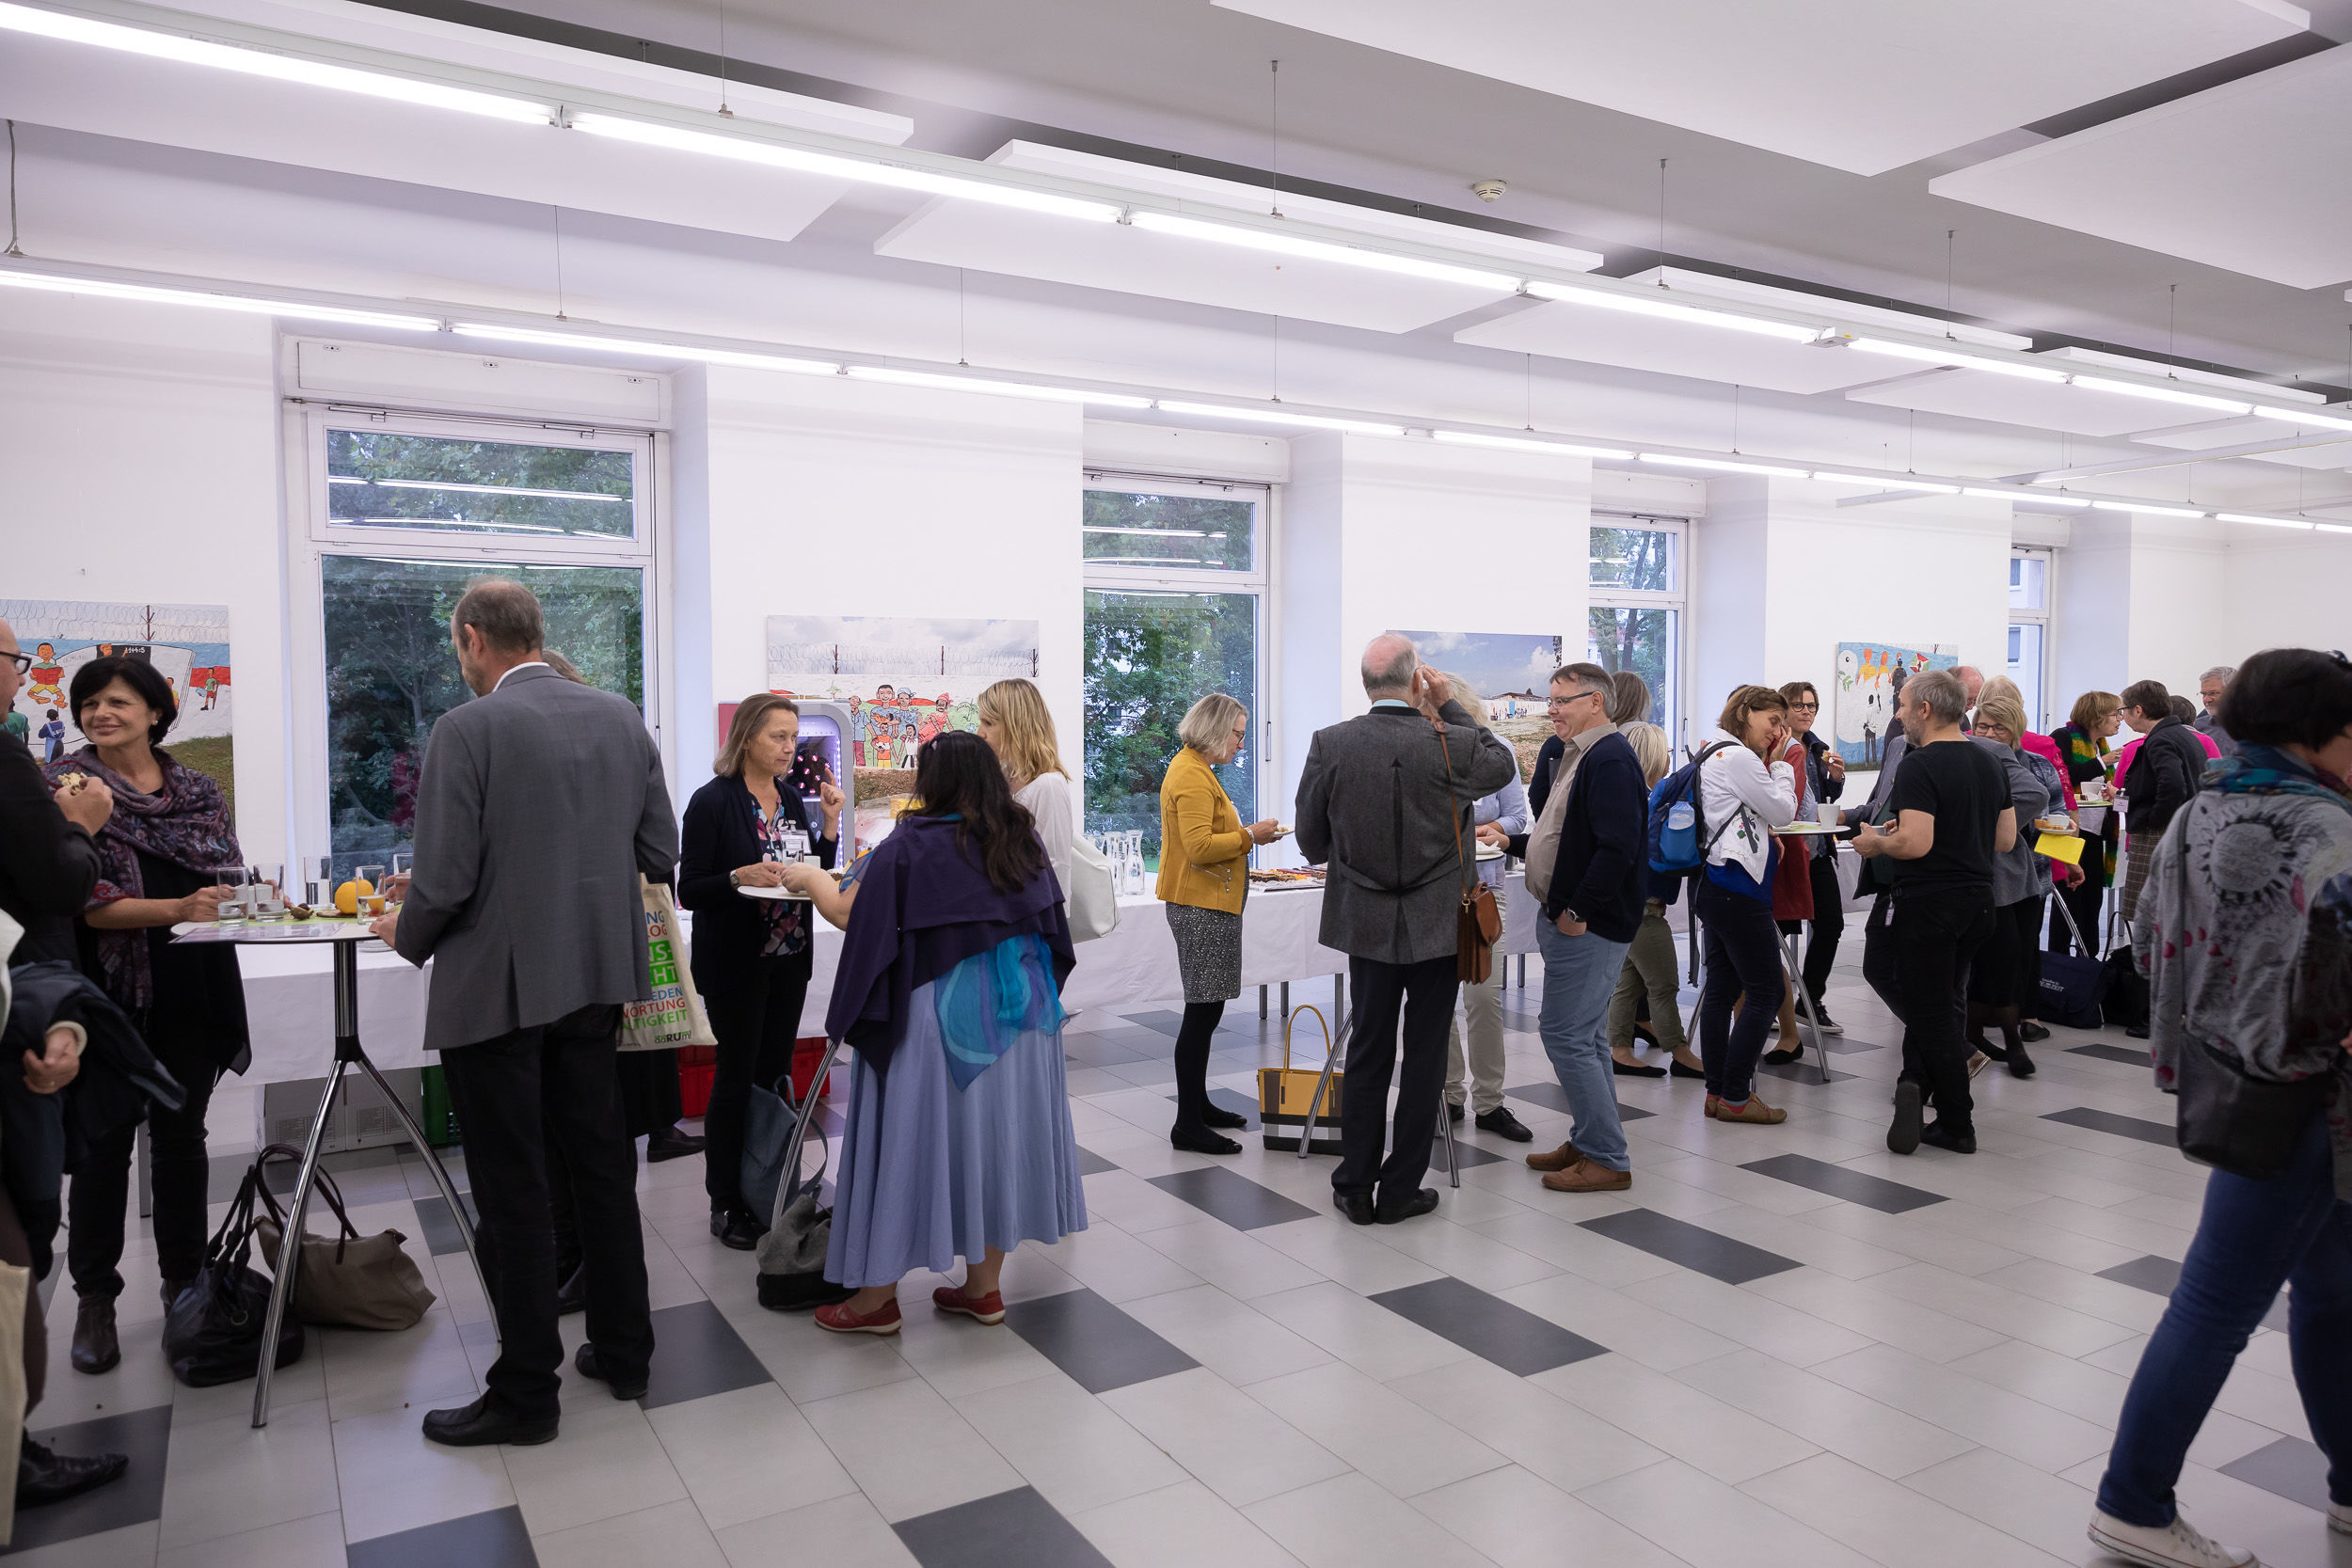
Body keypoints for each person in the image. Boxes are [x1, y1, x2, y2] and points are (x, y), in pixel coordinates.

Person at [372, 578, 676, 1446]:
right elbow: (657, 849)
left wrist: (403, 929)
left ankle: (527, 1393)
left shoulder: (467, 728)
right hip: (596, 976)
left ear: (473, 637)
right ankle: (626, 1352)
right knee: (601, 1170)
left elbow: (446, 882)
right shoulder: (621, 717)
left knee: (515, 1188)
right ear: (535, 632)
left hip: (498, 988)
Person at [2087, 647, 2352, 1568]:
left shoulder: (2203, 807)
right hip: (2310, 1098)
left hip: (2229, 1075)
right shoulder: (2330, 827)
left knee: (2333, 1289)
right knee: (2213, 1303)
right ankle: (2132, 1501)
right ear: (2315, 734)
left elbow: (2148, 941)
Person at [781, 731, 1082, 1336]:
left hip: (936, 1020)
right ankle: (983, 1289)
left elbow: (848, 912)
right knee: (996, 1145)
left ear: (932, 782)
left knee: (907, 1140)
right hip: (1023, 1017)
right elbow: (1052, 924)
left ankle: (875, 1301)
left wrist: (808, 878)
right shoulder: (1018, 836)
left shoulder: (910, 844)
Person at [47, 656, 249, 1380]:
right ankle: (95, 1300)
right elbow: (81, 901)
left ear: (157, 711)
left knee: (181, 1138)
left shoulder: (197, 790)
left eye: (118, 701)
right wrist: (180, 907)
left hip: (191, 983)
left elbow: (227, 870)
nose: (100, 713)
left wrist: (229, 899)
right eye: (89, 703)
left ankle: (185, 1284)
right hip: (105, 990)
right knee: (102, 1146)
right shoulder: (68, 789)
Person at [1295, 636, 1514, 1225]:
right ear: (1418, 680)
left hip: (1365, 919)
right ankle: (1400, 1190)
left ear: (1366, 684)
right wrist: (1449, 706)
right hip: (1439, 920)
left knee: (1368, 1049)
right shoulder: (1452, 741)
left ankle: (1353, 1185)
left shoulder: (1331, 742)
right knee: (1424, 1055)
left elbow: (1310, 840)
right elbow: (1502, 763)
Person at [0, 619, 128, 1510]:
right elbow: (61, 886)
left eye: (119, 700)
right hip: (29, 1019)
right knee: (31, 1215)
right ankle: (14, 1445)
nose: (19, 675)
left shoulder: (192, 786)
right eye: (16, 661)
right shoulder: (33, 772)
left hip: (49, 1009)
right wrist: (82, 827)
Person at [678, 694, 845, 1250]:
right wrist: (736, 877)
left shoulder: (792, 798)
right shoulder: (712, 801)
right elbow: (689, 888)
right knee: (736, 1076)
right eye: (778, 736)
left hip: (789, 959)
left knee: (773, 1079)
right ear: (747, 737)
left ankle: (769, 1189)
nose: (789, 747)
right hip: (736, 963)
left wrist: (829, 824)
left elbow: (813, 873)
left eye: (793, 737)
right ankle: (725, 1201)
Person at [1853, 670, 2013, 1156]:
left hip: (1930, 905)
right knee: (1941, 1002)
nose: (1898, 713)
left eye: (1902, 705)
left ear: (1924, 710)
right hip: (1978, 902)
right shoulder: (1990, 761)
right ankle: (1913, 1080)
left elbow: (1915, 844)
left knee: (1932, 1014)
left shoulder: (1919, 765)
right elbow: (2005, 839)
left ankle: (1956, 1122)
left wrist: (1876, 843)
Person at [1505, 663, 1647, 1193]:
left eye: (1562, 700)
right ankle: (1590, 1140)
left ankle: (1607, 1156)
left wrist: (1577, 911)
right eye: (1551, 700)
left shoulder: (1608, 758)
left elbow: (1617, 849)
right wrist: (1512, 842)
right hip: (1574, 919)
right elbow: (1567, 838)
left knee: (1564, 1035)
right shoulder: (1580, 753)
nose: (1552, 710)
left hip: (1589, 926)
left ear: (1596, 702)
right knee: (1585, 1037)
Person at [1153, 693, 1282, 1155]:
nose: (1241, 744)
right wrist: (1251, 836)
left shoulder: (1197, 768)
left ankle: (1198, 1106)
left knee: (1207, 1012)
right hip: (1201, 908)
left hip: (1210, 905)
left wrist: (1248, 837)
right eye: (1238, 735)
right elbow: (1199, 848)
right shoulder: (1190, 773)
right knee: (1202, 1013)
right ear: (1215, 728)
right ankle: (1187, 1123)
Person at [1692, 686, 1799, 1125]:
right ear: (1745, 713)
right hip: (1739, 888)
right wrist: (1783, 766)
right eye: (1773, 721)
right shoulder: (1739, 758)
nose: (1777, 731)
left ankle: (1717, 1092)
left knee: (1721, 990)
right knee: (1767, 990)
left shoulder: (1711, 752)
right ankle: (1736, 1095)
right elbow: (1784, 811)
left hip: (1714, 883)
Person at [1445, 674, 1534, 1143]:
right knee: (1438, 1002)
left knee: (1484, 998)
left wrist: (1492, 829)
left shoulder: (1498, 751)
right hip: (1434, 895)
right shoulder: (1425, 752)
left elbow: (1518, 817)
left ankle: (1491, 1103)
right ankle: (1449, 1095)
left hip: (1485, 891)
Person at [1599, 722, 1705, 1081]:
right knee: (1663, 984)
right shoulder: (1652, 802)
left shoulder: (1631, 799)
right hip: (1643, 911)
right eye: (1667, 752)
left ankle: (1620, 1051)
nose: (1670, 758)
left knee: (1628, 984)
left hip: (1626, 909)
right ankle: (1680, 1052)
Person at [1964, 696, 2051, 1080]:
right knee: (1982, 966)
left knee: (2008, 964)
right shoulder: (1968, 755)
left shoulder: (2017, 761)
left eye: (1998, 728)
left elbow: (2041, 797)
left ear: (2015, 732)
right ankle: (1978, 1038)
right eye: (1982, 726)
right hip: (1980, 878)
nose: (1988, 734)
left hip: (2012, 878)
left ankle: (2010, 1040)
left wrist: (1987, 821)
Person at [1776, 681, 1848, 1034]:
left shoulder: (1817, 748)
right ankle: (1771, 1003)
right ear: (1783, 709)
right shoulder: (1775, 746)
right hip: (1784, 852)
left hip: (1817, 851)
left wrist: (1836, 779)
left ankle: (1809, 1000)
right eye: (1799, 705)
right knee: (1775, 931)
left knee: (1831, 924)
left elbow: (1822, 799)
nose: (1807, 711)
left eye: (1812, 706)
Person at [2116, 680, 2213, 924]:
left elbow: (2173, 786)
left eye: (2123, 710)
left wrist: (2153, 821)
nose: (2122, 717)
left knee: (2150, 914)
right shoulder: (2183, 735)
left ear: (2138, 710)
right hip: (2184, 829)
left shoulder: (2160, 739)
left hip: (2160, 834)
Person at [977, 678, 1075, 895]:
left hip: (1033, 911)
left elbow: (1056, 867)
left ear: (1016, 726)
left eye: (989, 723)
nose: (980, 733)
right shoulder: (1002, 779)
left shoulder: (1048, 785)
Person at [2048, 690, 2123, 958]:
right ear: (2097, 715)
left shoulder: (2101, 744)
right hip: (2070, 831)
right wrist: (2102, 763)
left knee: (2092, 903)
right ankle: (2058, 965)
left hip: (2096, 831)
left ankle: (2088, 965)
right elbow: (2061, 776)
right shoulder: (2063, 737)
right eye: (2116, 713)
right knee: (2068, 903)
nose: (2120, 719)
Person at [2193, 664, 2239, 759]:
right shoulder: (2195, 728)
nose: (2206, 700)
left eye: (2213, 693)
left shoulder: (2257, 727)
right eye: (2203, 694)